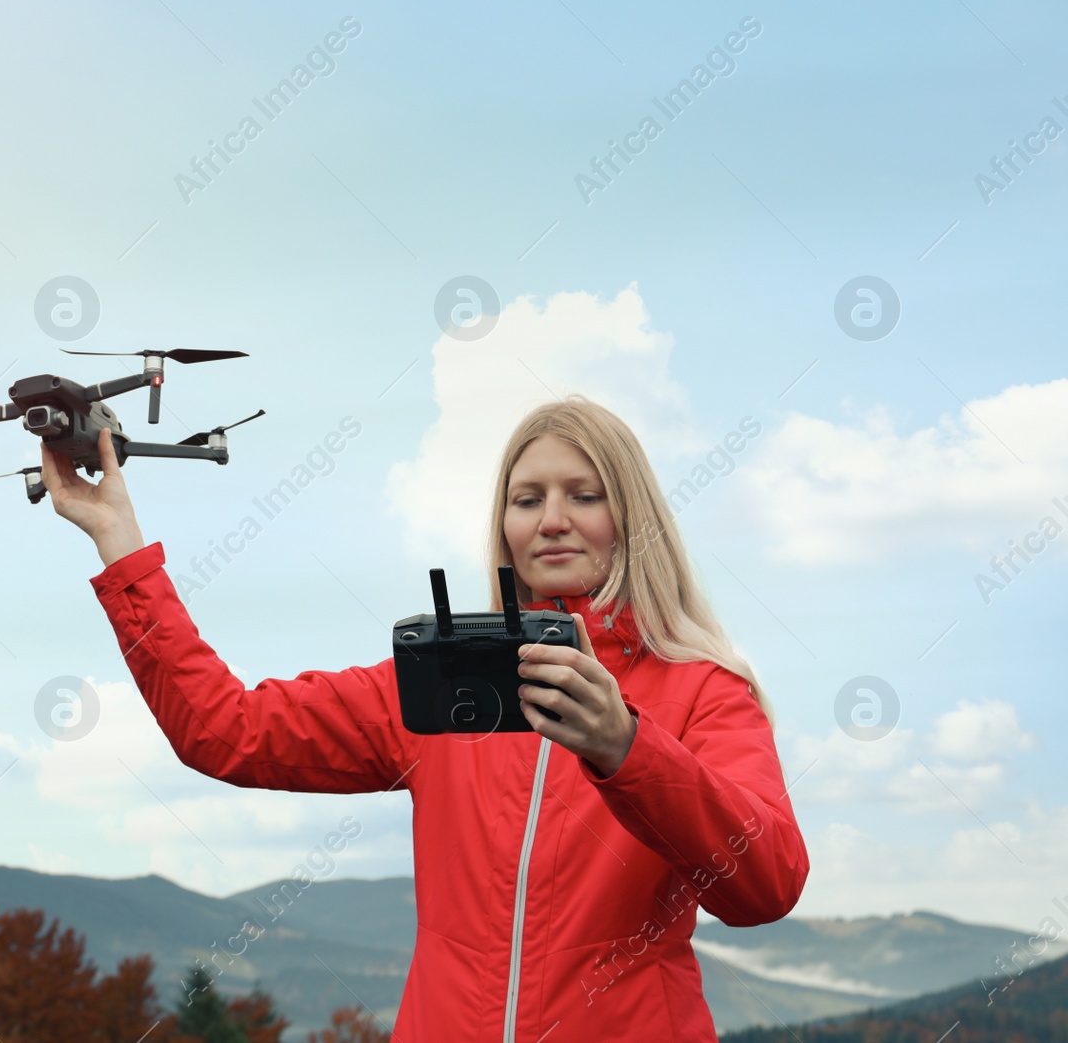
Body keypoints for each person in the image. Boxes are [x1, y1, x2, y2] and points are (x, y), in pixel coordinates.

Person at [41, 396, 808, 1043]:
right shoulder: (440, 680)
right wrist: (120, 543)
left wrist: (626, 746)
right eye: (527, 497)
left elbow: (764, 885)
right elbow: (224, 728)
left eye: (585, 494)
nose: (552, 520)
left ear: (631, 515)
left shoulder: (704, 690)